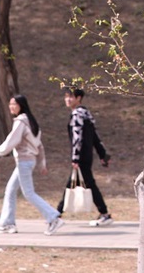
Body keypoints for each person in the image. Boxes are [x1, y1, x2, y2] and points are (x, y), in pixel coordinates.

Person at [0, 94, 64, 235]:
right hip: (28, 161)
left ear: (21, 106)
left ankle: (53, 218)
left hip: (24, 161)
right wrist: (41, 163)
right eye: (10, 104)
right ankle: (7, 223)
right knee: (10, 190)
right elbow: (39, 146)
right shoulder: (31, 121)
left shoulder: (21, 122)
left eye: (14, 104)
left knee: (28, 193)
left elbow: (11, 141)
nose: (11, 106)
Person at [57, 86, 113, 227]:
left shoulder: (77, 115)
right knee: (81, 183)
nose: (68, 99)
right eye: (66, 96)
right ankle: (57, 214)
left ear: (78, 98)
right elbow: (95, 137)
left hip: (81, 157)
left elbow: (78, 138)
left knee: (84, 184)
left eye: (71, 96)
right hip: (87, 156)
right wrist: (103, 154)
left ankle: (56, 215)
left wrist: (75, 158)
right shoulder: (86, 113)